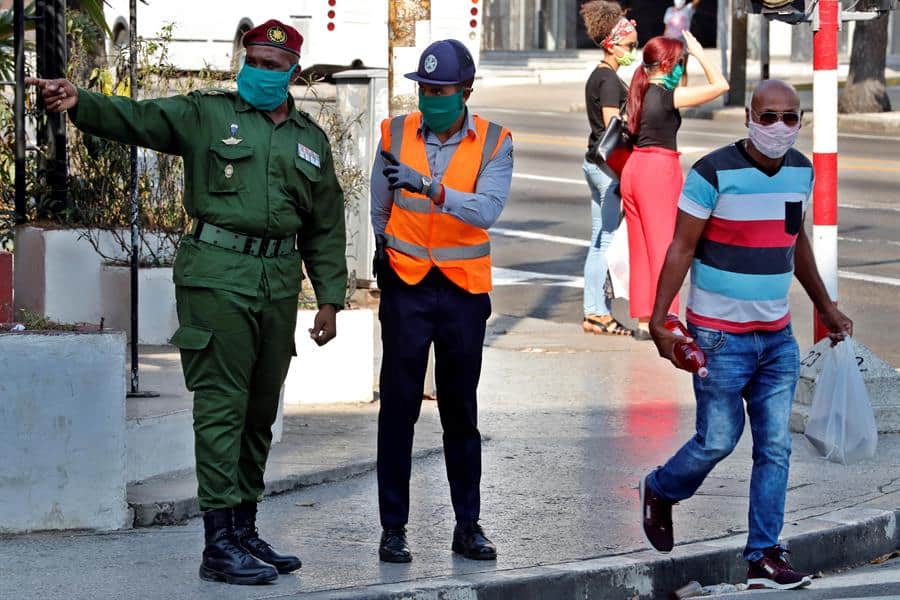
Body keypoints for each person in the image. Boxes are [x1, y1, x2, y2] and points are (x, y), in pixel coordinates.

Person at [28, 19, 347, 585]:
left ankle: (245, 529)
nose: (259, 73)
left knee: (258, 411)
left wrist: (329, 299)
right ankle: (218, 541)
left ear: (293, 72)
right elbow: (139, 119)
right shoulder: (208, 115)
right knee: (222, 406)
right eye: (253, 62)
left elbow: (324, 225)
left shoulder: (310, 141)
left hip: (276, 282)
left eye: (272, 66)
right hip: (218, 276)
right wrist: (80, 101)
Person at [640, 79, 853, 590]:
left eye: (790, 117)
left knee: (775, 447)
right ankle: (661, 488)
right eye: (769, 115)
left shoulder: (802, 170)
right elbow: (680, 249)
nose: (779, 127)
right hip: (719, 336)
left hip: (776, 337)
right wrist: (658, 318)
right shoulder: (711, 173)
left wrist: (826, 306)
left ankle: (763, 556)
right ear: (749, 117)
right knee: (717, 440)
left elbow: (793, 239)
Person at [370, 39, 513, 564]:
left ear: (465, 91)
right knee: (398, 410)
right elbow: (379, 207)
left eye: (440, 90)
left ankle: (468, 526)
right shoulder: (395, 131)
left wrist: (430, 188)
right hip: (407, 286)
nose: (429, 98)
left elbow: (486, 209)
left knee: (460, 410)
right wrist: (388, 256)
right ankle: (392, 528)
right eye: (424, 89)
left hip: (463, 292)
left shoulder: (495, 141)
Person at [619, 32, 728, 340]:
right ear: (667, 64)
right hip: (658, 170)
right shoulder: (667, 96)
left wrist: (684, 58)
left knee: (640, 250)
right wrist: (700, 53)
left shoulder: (639, 90)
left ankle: (643, 321)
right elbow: (721, 86)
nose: (682, 67)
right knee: (666, 248)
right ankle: (665, 319)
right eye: (679, 62)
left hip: (634, 169)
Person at [579, 1, 637, 337]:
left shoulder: (599, 76)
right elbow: (613, 130)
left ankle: (594, 311)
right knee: (606, 242)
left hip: (593, 165)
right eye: (630, 46)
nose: (633, 51)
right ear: (612, 43)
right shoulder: (610, 81)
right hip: (608, 169)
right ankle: (597, 312)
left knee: (599, 239)